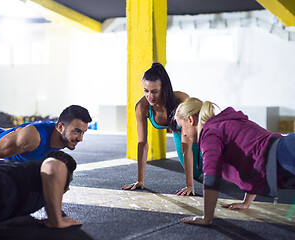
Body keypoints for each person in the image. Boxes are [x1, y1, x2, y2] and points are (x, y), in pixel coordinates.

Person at [175, 97, 295, 225]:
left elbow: (211, 177)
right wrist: (246, 202)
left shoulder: (210, 133)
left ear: (190, 119)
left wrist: (206, 217)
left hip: (285, 154)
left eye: (181, 127)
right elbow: (253, 158)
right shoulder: (226, 122)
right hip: (285, 151)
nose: (183, 134)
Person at [121, 63, 203, 196]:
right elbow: (142, 144)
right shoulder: (141, 107)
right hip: (179, 133)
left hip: (196, 132)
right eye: (146, 91)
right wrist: (140, 180)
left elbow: (186, 146)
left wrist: (189, 186)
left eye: (155, 91)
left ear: (163, 88)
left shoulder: (180, 100)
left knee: (213, 163)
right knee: (196, 173)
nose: (150, 96)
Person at [0, 150, 82, 228]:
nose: (67, 188)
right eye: (67, 181)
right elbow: (54, 166)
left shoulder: (10, 164)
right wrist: (56, 220)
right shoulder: (49, 169)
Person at [0, 105, 92, 162]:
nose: (80, 138)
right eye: (76, 131)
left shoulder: (59, 141)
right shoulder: (33, 137)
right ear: (60, 127)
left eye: (83, 133)